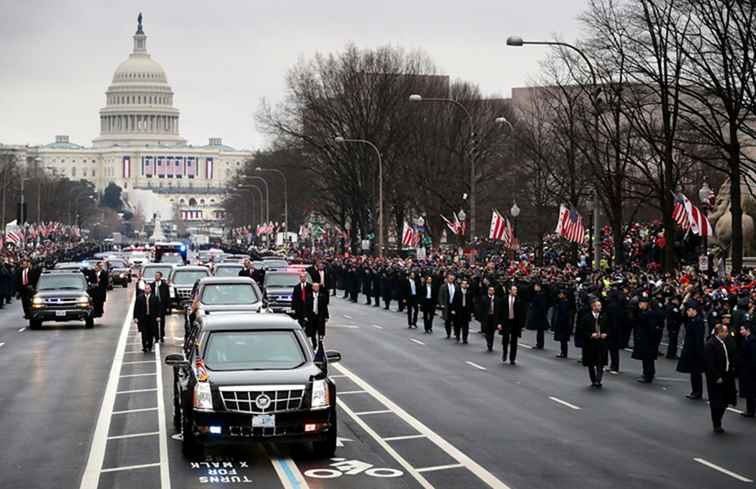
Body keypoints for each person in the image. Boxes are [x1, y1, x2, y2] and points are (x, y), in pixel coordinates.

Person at [704, 324, 738, 433]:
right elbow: (710, 363)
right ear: (720, 332)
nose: (727, 334)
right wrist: (716, 376)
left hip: (727, 374)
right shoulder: (711, 344)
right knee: (716, 401)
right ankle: (716, 423)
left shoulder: (725, 342)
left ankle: (719, 418)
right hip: (716, 376)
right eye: (725, 332)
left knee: (726, 399)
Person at [677, 300, 706, 400]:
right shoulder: (693, 320)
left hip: (695, 351)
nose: (687, 312)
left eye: (688, 310)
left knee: (696, 373)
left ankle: (697, 392)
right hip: (692, 350)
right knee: (693, 373)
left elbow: (698, 339)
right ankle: (695, 391)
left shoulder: (697, 321)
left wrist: (699, 353)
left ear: (694, 310)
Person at [578, 298, 609, 388]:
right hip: (590, 344)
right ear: (593, 307)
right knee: (591, 363)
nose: (600, 307)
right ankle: (593, 379)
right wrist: (591, 335)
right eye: (598, 305)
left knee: (600, 363)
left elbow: (609, 328)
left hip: (601, 343)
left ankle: (598, 380)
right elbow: (581, 330)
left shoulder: (604, 317)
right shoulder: (586, 318)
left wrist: (605, 334)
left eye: (600, 305)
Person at [632, 295, 658, 383]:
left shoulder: (649, 313)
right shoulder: (646, 312)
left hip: (648, 339)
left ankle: (648, 375)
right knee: (646, 358)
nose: (640, 305)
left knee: (648, 358)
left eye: (641, 303)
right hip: (646, 338)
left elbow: (650, 327)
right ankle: (647, 373)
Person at [498, 284, 524, 365]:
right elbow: (500, 312)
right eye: (514, 290)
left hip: (515, 323)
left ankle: (512, 358)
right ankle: (505, 352)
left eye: (516, 290)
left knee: (514, 341)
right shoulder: (504, 299)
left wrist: (522, 325)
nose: (515, 291)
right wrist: (499, 323)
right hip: (506, 322)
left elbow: (522, 313)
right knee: (505, 339)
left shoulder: (519, 300)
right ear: (509, 291)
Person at [134, 283, 161, 353]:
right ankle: (144, 346)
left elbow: (158, 308)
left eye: (148, 288)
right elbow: (136, 308)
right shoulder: (139, 298)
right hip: (143, 318)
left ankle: (149, 345)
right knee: (144, 333)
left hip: (152, 318)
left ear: (150, 289)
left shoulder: (155, 298)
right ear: (144, 289)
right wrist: (136, 317)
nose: (147, 290)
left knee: (150, 333)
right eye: (146, 288)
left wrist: (158, 316)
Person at [737, 323, 756, 417]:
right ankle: (750, 410)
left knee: (750, 391)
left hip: (749, 370)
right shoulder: (746, 339)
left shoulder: (752, 341)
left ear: (748, 330)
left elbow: (753, 357)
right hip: (746, 369)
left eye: (742, 329)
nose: (740, 331)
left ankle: (751, 411)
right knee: (749, 391)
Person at [526, 282, 549, 349]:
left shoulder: (541, 295)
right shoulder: (538, 294)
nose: (534, 287)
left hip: (540, 315)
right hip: (539, 315)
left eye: (536, 286)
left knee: (540, 330)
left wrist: (538, 313)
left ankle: (540, 344)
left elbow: (542, 306)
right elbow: (529, 289)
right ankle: (539, 343)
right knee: (539, 330)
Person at [306, 282, 329, 349]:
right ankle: (314, 344)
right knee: (312, 331)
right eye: (314, 287)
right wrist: (306, 316)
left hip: (320, 316)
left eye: (317, 287)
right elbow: (306, 307)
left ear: (319, 288)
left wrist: (326, 316)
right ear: (312, 288)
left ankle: (320, 344)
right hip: (312, 316)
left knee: (320, 331)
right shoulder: (309, 296)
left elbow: (325, 307)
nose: (316, 288)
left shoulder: (322, 296)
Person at [552, 289, 573, 358]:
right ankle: (563, 352)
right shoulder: (563, 301)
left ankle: (564, 352)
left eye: (561, 294)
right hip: (564, 323)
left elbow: (563, 314)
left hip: (563, 323)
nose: (559, 295)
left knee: (563, 339)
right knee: (563, 339)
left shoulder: (564, 303)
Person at [151, 271, 171, 343]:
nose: (156, 277)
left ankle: (162, 335)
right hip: (154, 306)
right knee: (154, 322)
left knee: (162, 322)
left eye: (157, 276)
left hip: (162, 305)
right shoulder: (152, 285)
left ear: (160, 277)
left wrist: (168, 307)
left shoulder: (164, 285)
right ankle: (156, 336)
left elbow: (168, 297)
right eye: (155, 275)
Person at [452, 279, 473, 344]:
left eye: (465, 284)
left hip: (466, 311)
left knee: (466, 326)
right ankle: (457, 336)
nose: (464, 285)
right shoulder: (457, 292)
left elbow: (471, 303)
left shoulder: (469, 293)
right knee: (458, 324)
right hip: (459, 311)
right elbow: (454, 301)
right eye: (463, 284)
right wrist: (453, 310)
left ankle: (465, 338)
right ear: (461, 285)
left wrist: (471, 311)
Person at [481, 286, 501, 352]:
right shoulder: (484, 298)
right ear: (488, 291)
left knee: (492, 332)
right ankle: (488, 342)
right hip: (487, 317)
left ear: (494, 291)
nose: (491, 291)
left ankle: (490, 345)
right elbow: (482, 309)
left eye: (492, 290)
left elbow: (498, 310)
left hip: (493, 317)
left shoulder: (497, 299)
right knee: (487, 331)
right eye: (490, 290)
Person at [437, 274, 457, 339]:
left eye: (453, 278)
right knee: (447, 320)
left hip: (454, 305)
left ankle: (456, 332)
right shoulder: (443, 286)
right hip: (447, 305)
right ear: (448, 279)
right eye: (450, 278)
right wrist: (441, 304)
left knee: (455, 319)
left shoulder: (456, 286)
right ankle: (448, 333)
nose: (452, 279)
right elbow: (440, 296)